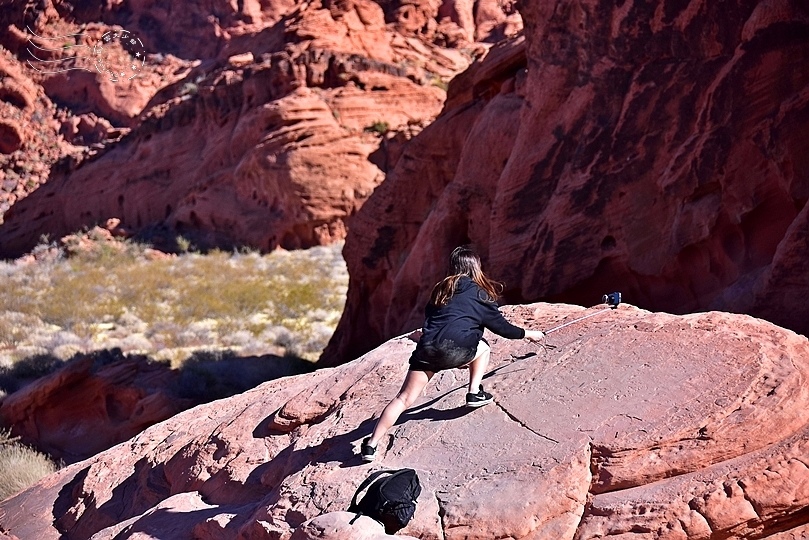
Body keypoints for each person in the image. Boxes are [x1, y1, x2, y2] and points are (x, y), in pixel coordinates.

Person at [361, 245, 545, 462]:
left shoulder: (441, 289)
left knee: (403, 399)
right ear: (475, 267)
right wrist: (529, 334)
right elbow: (502, 328)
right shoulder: (480, 293)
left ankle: (371, 446)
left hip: (428, 350)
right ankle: (474, 392)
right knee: (483, 347)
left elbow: (432, 318)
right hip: (460, 350)